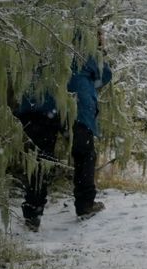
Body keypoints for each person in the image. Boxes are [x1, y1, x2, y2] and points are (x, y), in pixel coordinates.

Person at [12, 29, 113, 231]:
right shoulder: (84, 45)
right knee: (84, 155)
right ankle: (85, 205)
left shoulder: (38, 37)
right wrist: (100, 51)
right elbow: (104, 75)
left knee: (39, 159)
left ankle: (33, 212)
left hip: (37, 104)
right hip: (74, 106)